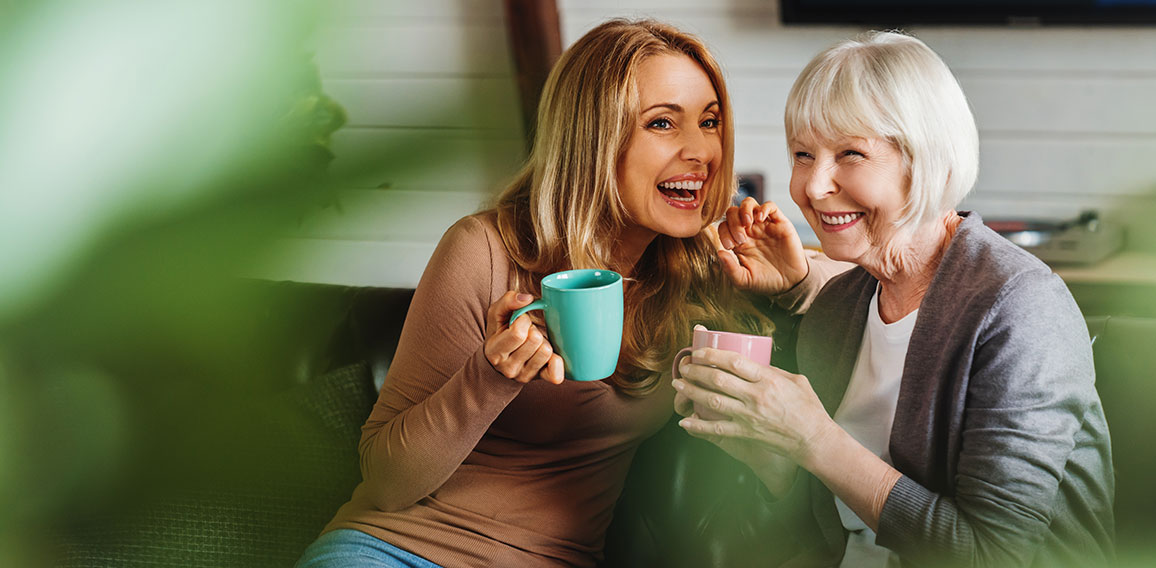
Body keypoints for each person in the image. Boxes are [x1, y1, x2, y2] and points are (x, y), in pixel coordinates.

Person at [296, 19, 770, 568]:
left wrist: (794, 282)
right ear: (593, 137)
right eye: (662, 123)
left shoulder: (702, 276)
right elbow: (385, 484)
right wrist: (489, 378)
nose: (701, 151)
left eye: (709, 122)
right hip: (399, 551)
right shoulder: (486, 251)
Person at [672, 31, 1115, 567]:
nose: (813, 186)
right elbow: (826, 522)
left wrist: (814, 438)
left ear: (926, 159)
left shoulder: (1020, 308)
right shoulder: (839, 308)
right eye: (803, 154)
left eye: (851, 154)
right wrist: (772, 453)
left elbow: (996, 555)